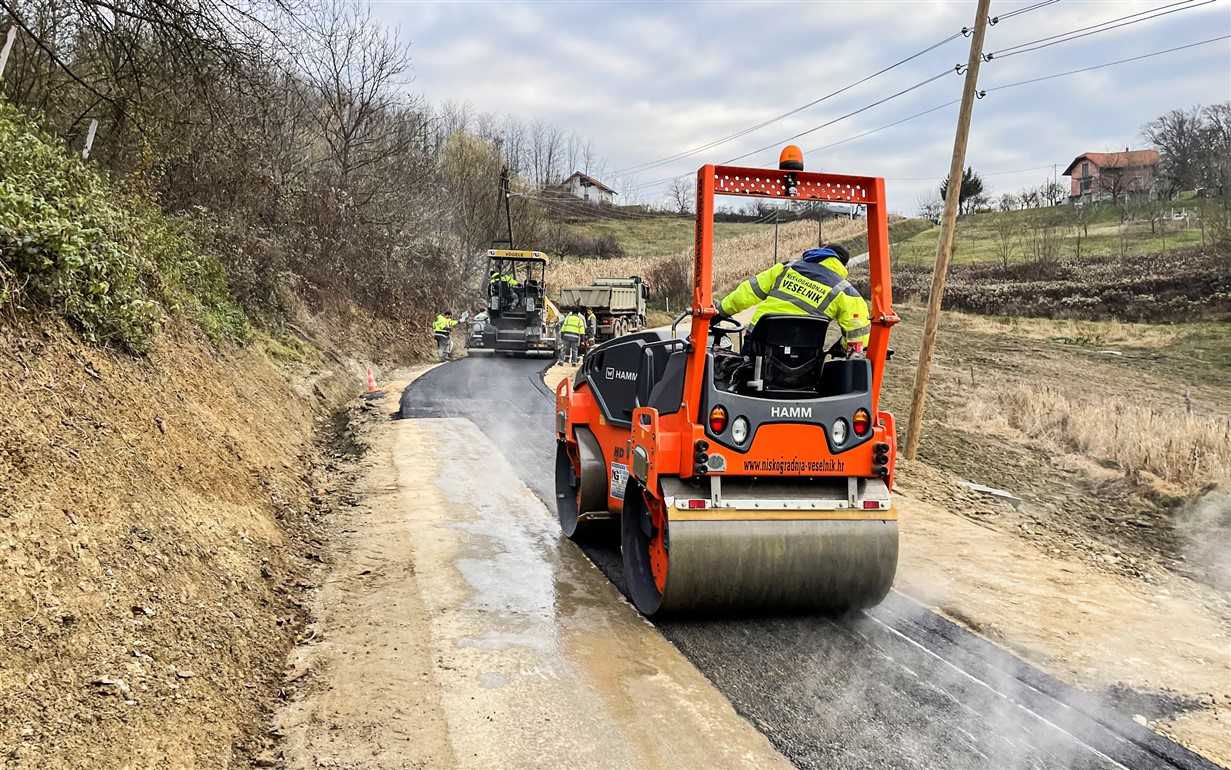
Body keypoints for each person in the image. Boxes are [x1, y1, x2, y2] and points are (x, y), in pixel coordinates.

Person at [718, 243, 870, 355]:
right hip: (805, 353)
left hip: (759, 341)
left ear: (821, 254)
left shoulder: (787, 268)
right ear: (843, 266)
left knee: (744, 378)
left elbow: (746, 293)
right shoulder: (847, 292)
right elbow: (858, 335)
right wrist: (843, 347)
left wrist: (720, 311)